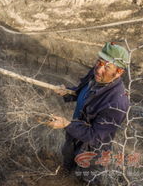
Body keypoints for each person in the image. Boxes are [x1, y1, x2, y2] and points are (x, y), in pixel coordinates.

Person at [47, 42, 130, 184]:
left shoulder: (117, 103)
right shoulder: (96, 73)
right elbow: (83, 91)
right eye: (99, 62)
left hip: (91, 150)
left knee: (87, 178)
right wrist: (67, 91)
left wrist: (66, 124)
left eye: (107, 67)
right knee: (68, 158)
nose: (99, 69)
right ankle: (65, 177)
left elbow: (96, 136)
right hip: (74, 133)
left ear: (119, 72)